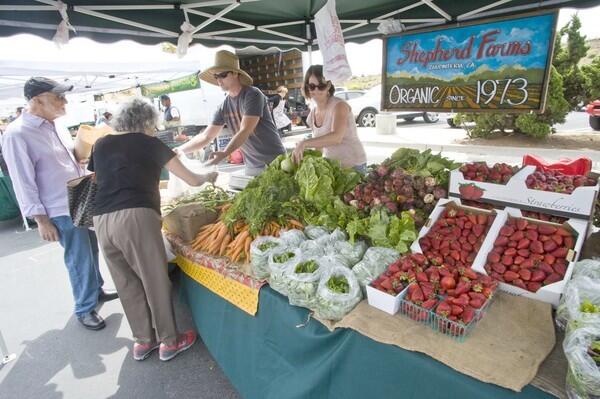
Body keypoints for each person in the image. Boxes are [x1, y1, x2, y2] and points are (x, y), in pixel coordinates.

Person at [89, 97, 218, 362]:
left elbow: (96, 178)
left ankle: (143, 340)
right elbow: (191, 179)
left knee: (125, 281)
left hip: (102, 219)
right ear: (147, 121)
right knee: (154, 279)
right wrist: (209, 176)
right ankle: (170, 341)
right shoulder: (150, 143)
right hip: (136, 216)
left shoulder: (100, 144)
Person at [1, 77, 117, 331]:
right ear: (37, 101)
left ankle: (95, 290)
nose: (64, 102)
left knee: (91, 249)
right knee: (78, 257)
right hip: (58, 207)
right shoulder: (17, 133)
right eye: (58, 97)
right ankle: (84, 307)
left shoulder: (56, 126)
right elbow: (22, 181)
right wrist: (40, 219)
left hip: (80, 198)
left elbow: (70, 161)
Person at [175, 50, 286, 176]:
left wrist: (224, 153)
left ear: (235, 74)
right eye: (216, 76)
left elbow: (245, 130)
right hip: (251, 166)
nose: (219, 80)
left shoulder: (253, 95)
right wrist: (180, 150)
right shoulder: (224, 106)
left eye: (222, 75)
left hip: (276, 163)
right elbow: (206, 136)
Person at [292, 65, 367, 173]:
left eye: (321, 86)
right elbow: (319, 147)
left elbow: (336, 137)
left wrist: (304, 143)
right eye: (312, 86)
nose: (316, 90)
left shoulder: (339, 106)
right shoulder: (312, 114)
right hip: (332, 167)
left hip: (353, 166)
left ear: (328, 86)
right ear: (307, 87)